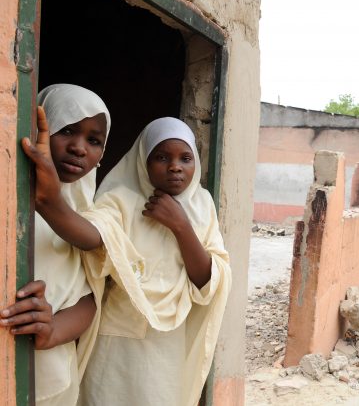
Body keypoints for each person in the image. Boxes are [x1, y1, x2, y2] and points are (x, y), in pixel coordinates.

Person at [24, 116, 231, 405]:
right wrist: (50, 201)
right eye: (161, 157)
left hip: (167, 345)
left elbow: (210, 280)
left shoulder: (202, 206)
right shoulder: (121, 200)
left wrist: (181, 226)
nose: (175, 166)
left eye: (186, 158)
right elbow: (93, 236)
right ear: (142, 161)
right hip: (115, 344)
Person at [1, 84, 110, 405]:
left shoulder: (93, 214)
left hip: (54, 378)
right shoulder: (11, 201)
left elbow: (92, 299)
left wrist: (52, 330)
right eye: (66, 130)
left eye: (94, 140)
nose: (79, 147)